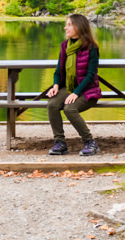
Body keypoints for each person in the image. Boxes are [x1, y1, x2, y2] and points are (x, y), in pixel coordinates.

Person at [46, 13, 101, 156]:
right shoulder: (65, 46)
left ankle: (90, 143)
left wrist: (76, 93)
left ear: (79, 26)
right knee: (52, 104)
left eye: (69, 25)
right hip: (69, 88)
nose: (65, 28)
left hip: (87, 90)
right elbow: (58, 71)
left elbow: (90, 75)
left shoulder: (91, 48)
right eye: (66, 25)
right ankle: (60, 143)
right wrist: (56, 85)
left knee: (70, 109)